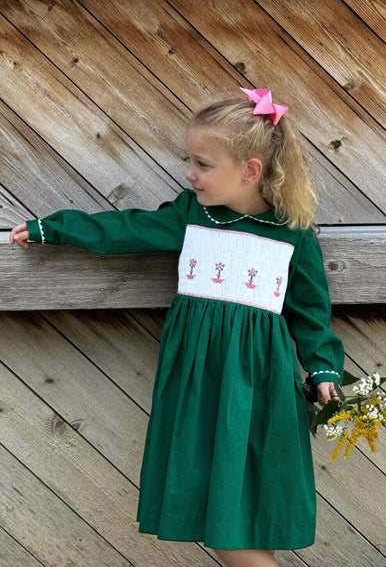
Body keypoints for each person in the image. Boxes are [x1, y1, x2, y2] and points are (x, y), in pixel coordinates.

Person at [10, 87, 344, 567]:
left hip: (259, 388)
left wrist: (325, 369)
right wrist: (56, 228)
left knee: (239, 514)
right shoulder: (192, 215)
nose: (190, 173)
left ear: (250, 170)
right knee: (222, 511)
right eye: (190, 160)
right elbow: (124, 229)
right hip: (198, 383)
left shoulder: (291, 232)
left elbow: (310, 313)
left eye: (203, 164)